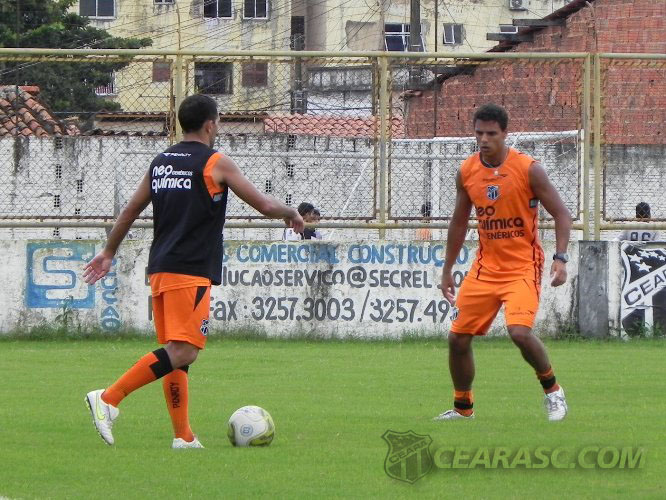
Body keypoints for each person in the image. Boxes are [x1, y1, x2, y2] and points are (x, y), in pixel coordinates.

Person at [82, 95, 304, 448]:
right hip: (190, 270)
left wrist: (109, 252)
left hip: (161, 268)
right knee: (185, 351)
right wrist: (291, 211)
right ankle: (108, 399)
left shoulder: (162, 163)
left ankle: (183, 437)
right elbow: (263, 204)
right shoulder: (215, 163)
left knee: (175, 353)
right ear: (210, 124)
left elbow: (131, 209)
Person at [434, 104, 572, 422]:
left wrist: (560, 258)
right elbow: (458, 223)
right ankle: (463, 408)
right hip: (485, 268)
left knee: (519, 333)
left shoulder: (528, 169)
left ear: (505, 134)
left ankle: (553, 392)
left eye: (491, 134)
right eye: (479, 133)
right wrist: (447, 270)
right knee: (457, 338)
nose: (483, 139)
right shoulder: (467, 171)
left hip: (523, 265)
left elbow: (562, 214)